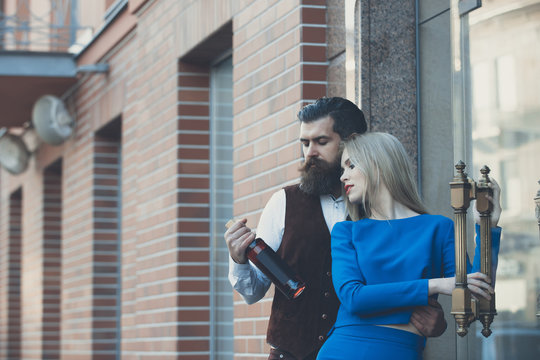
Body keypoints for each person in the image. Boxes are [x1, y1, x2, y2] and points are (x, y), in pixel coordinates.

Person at [225, 97, 447, 360]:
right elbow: (252, 293)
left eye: (321, 142)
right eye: (305, 143)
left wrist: (439, 324)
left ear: (350, 141)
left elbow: (424, 287)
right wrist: (238, 259)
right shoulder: (283, 202)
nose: (310, 153)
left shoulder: (387, 212)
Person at [316, 132, 502, 360]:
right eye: (342, 170)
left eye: (351, 166)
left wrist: (488, 227)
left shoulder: (439, 228)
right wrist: (435, 285)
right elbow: (354, 297)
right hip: (345, 349)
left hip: (402, 350)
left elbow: (477, 291)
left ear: (379, 164)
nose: (344, 177)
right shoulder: (346, 232)